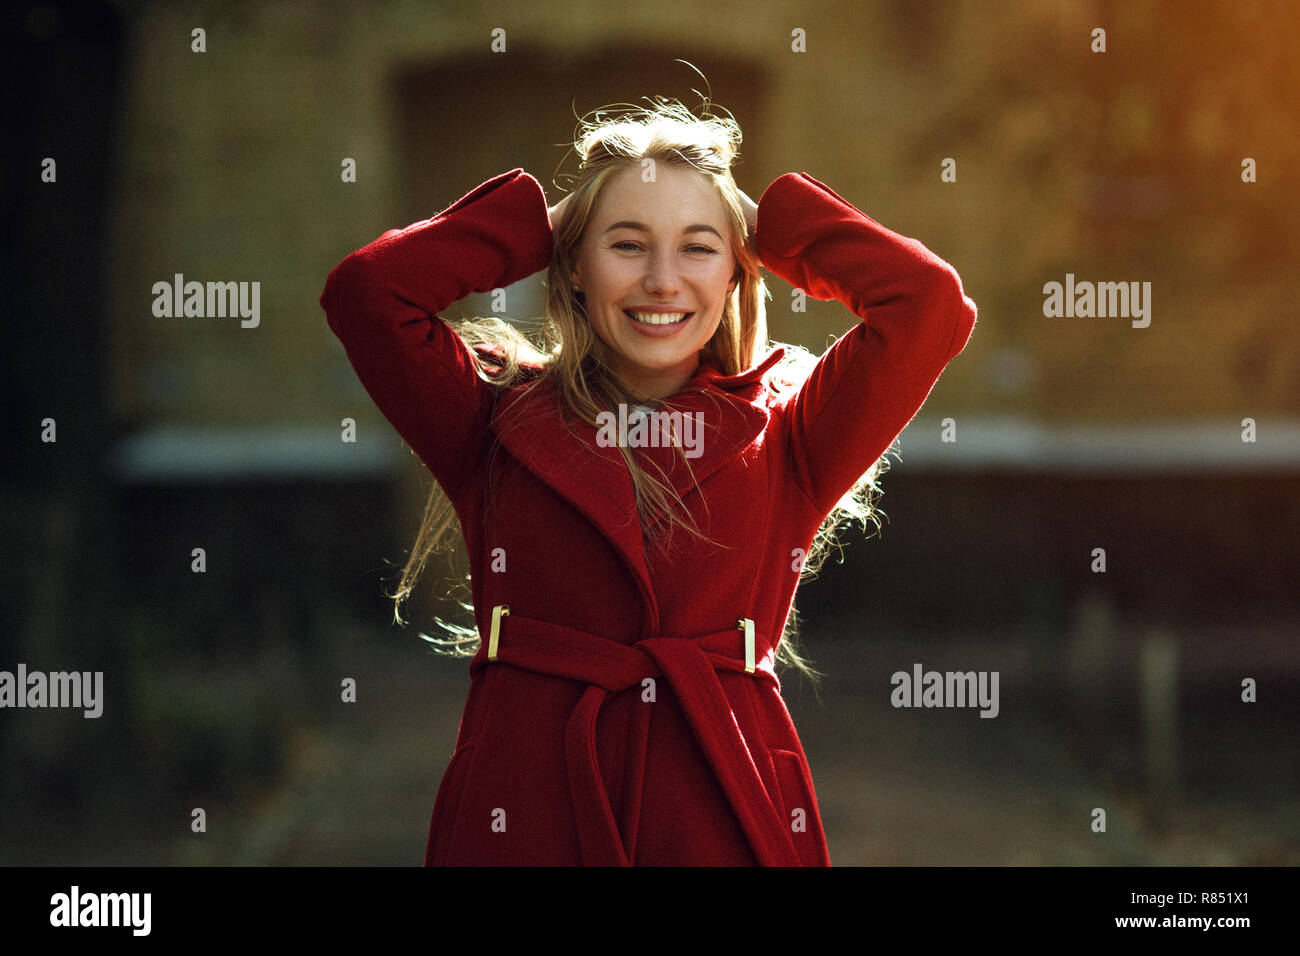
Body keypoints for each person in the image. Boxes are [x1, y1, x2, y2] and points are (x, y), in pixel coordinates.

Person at [318, 95, 977, 865]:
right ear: (573, 265)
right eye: (626, 245)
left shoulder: (794, 434)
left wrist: (771, 223)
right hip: (525, 806)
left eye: (699, 249)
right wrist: (544, 222)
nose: (663, 281)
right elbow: (367, 294)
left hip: (721, 811)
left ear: (738, 271)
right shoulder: (486, 422)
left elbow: (926, 305)